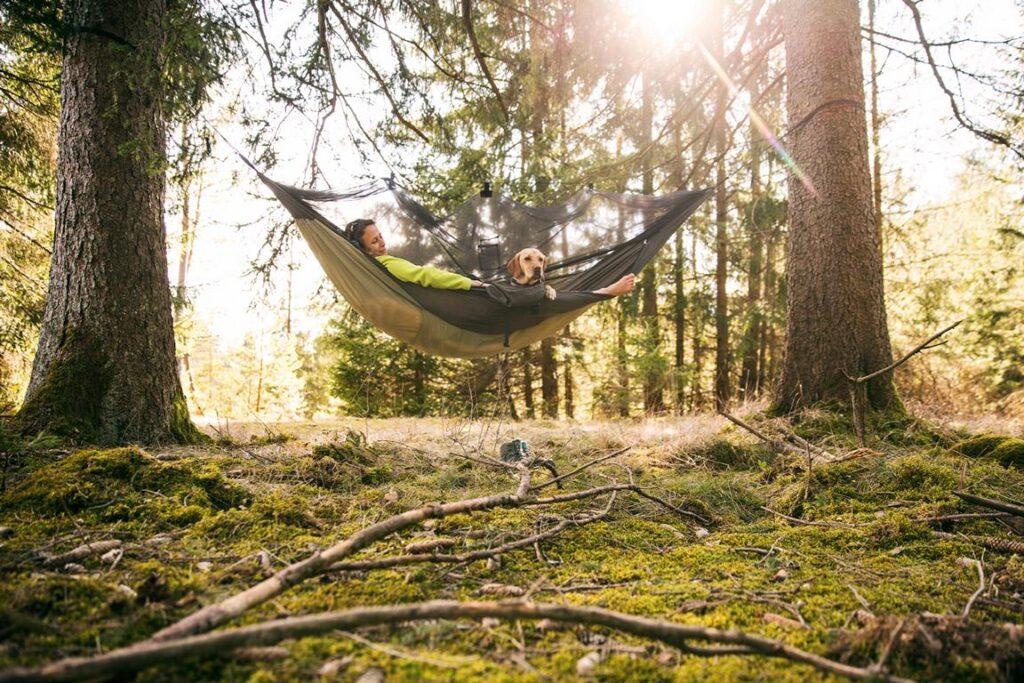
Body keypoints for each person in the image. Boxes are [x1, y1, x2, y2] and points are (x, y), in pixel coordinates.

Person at [344, 218, 636, 296]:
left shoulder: (375, 269)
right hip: (469, 297)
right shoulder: (387, 264)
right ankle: (609, 290)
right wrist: (472, 285)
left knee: (550, 296)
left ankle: (606, 290)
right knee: (559, 300)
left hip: (485, 293)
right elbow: (427, 275)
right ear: (364, 248)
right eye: (374, 241)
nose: (382, 243)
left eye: (381, 236)